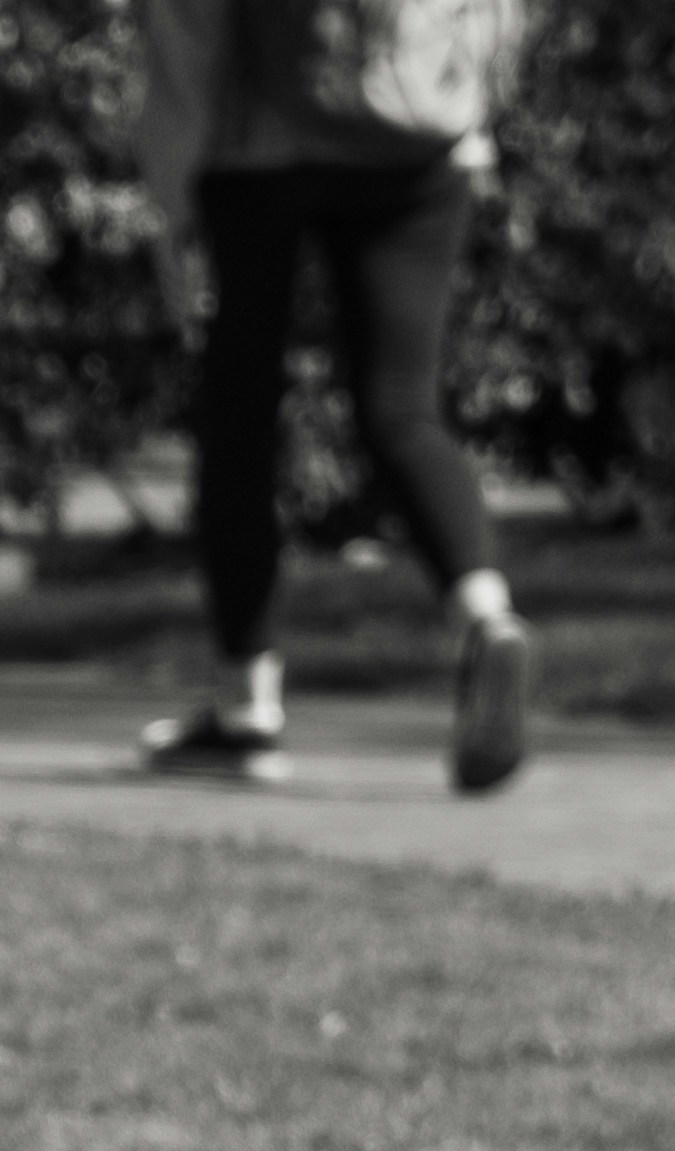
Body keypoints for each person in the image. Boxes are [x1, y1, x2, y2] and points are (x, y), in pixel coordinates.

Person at [128, 0, 532, 796]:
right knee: (403, 411)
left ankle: (248, 709)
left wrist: (169, 196)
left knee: (240, 419)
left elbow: (190, 29)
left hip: (259, 150)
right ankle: (489, 619)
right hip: (421, 140)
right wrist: (473, 108)